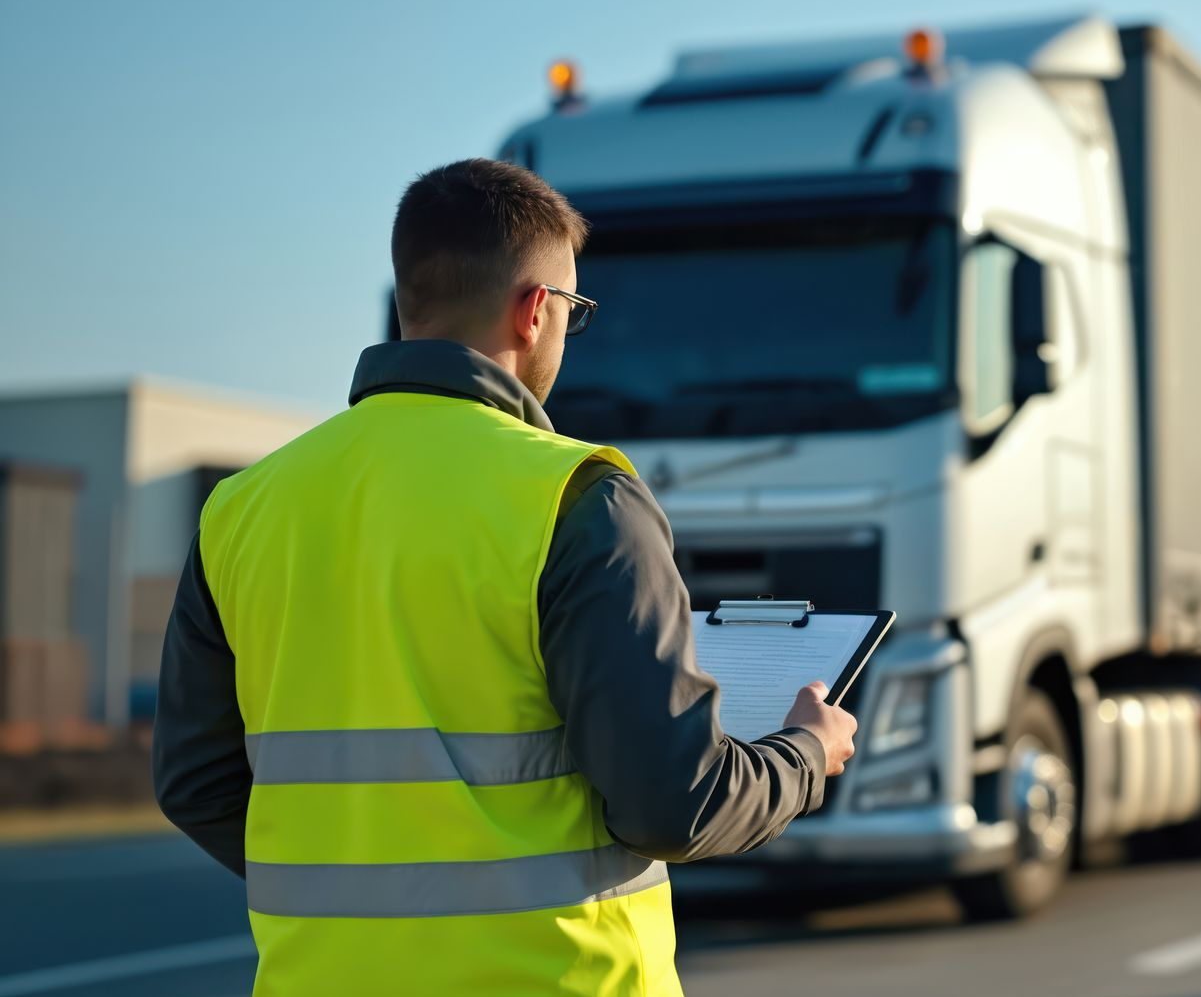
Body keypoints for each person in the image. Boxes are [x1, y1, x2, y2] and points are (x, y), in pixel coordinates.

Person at [152, 157, 858, 997]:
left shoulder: (243, 508)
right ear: (535, 311)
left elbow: (196, 782)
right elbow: (677, 801)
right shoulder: (577, 497)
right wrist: (807, 752)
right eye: (574, 310)